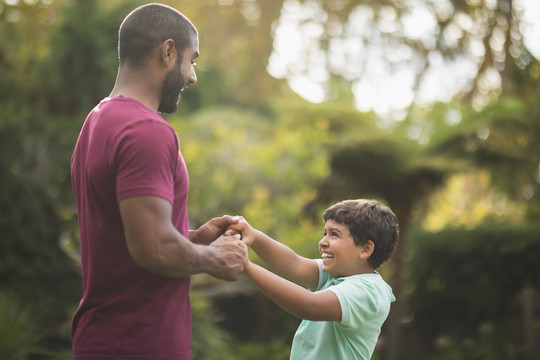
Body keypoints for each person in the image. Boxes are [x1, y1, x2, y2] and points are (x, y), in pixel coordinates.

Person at [70, 3, 247, 360]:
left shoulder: (98, 120)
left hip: (107, 340)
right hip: (138, 344)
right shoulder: (147, 130)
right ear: (168, 51)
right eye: (191, 59)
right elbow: (152, 247)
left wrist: (192, 238)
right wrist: (214, 258)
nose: (193, 76)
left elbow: (132, 238)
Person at [228, 199, 399, 359]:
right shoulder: (336, 275)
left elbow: (310, 306)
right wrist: (253, 236)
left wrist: (246, 267)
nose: (323, 242)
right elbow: (293, 264)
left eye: (334, 234)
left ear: (365, 249)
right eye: (325, 233)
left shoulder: (369, 291)